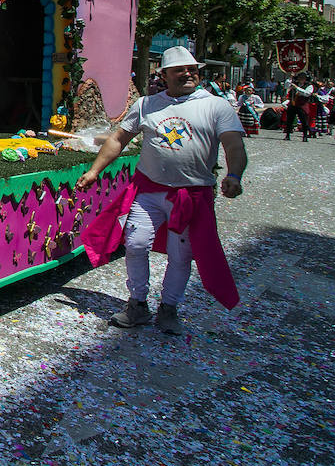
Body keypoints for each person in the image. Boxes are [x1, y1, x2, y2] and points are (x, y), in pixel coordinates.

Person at [77, 46, 246, 335]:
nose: (188, 73)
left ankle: (169, 308)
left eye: (192, 69)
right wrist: (94, 171)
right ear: (164, 74)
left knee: (181, 255)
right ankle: (138, 305)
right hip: (149, 189)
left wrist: (234, 174)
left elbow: (233, 145)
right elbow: (118, 139)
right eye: (179, 69)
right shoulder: (146, 105)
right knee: (136, 242)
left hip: (191, 195)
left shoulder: (217, 106)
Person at [283, 73, 315, 141]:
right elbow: (286, 86)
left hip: (302, 105)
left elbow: (307, 94)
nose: (301, 79)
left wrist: (297, 88)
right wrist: (290, 77)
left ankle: (305, 136)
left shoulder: (309, 86)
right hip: (293, 104)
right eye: (300, 77)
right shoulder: (294, 84)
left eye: (303, 78)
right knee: (289, 120)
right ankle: (287, 135)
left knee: (304, 121)